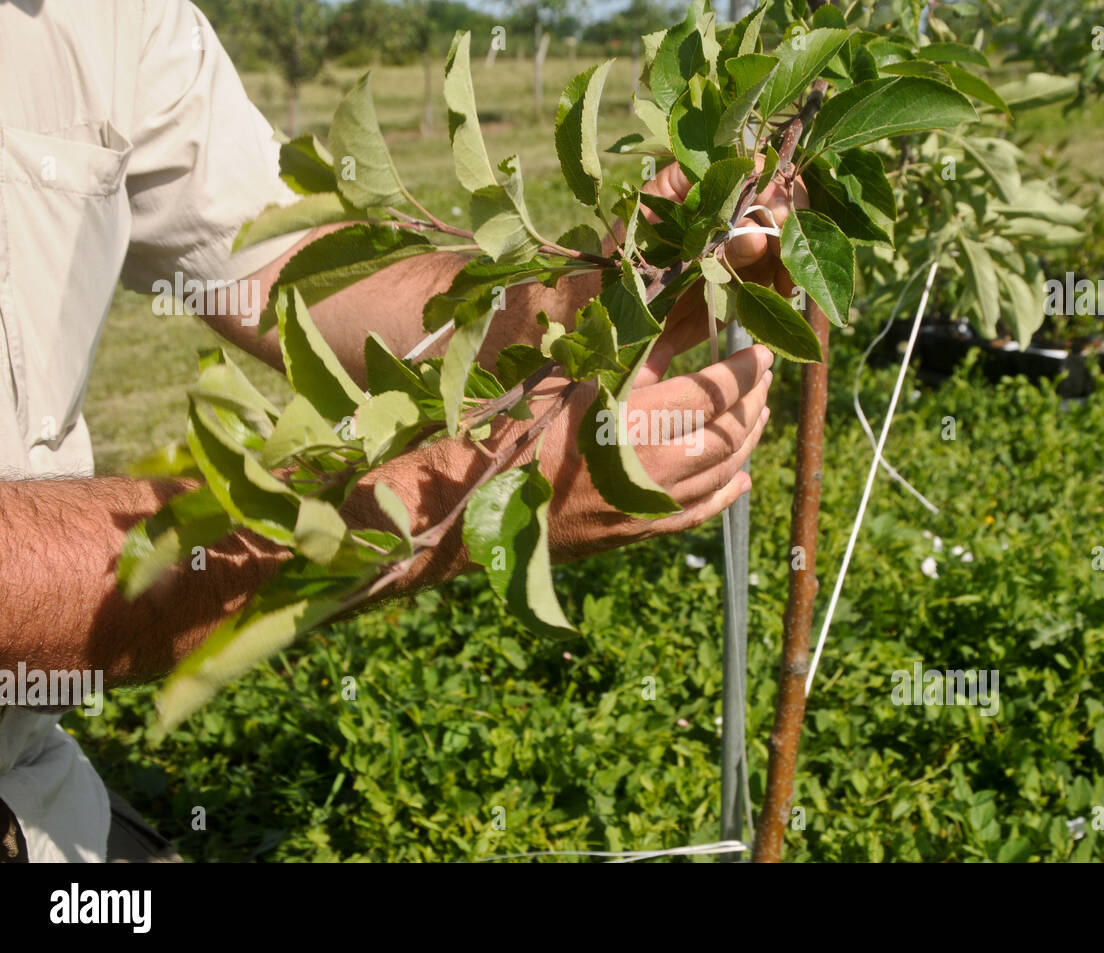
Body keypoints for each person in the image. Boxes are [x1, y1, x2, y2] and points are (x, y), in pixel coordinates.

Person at [0, 0, 795, 862]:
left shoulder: (111, 18)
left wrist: (597, 289)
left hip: (36, 785)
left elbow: (297, 265)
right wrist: (440, 498)